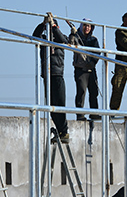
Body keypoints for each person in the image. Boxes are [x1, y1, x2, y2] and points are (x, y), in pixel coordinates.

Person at [33, 13, 70, 143]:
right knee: (51, 106)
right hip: (47, 75)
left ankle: (64, 131)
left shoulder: (61, 38)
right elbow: (34, 36)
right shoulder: (43, 39)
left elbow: (63, 40)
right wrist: (43, 25)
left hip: (58, 74)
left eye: (51, 26)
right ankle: (61, 131)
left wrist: (54, 27)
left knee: (60, 104)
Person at [70, 19, 101, 121]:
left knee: (94, 91)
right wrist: (72, 34)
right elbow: (70, 44)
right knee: (81, 91)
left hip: (91, 69)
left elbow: (98, 54)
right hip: (80, 69)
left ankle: (94, 113)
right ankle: (80, 114)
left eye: (89, 26)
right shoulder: (76, 37)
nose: (87, 28)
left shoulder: (93, 40)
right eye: (85, 26)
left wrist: (92, 63)